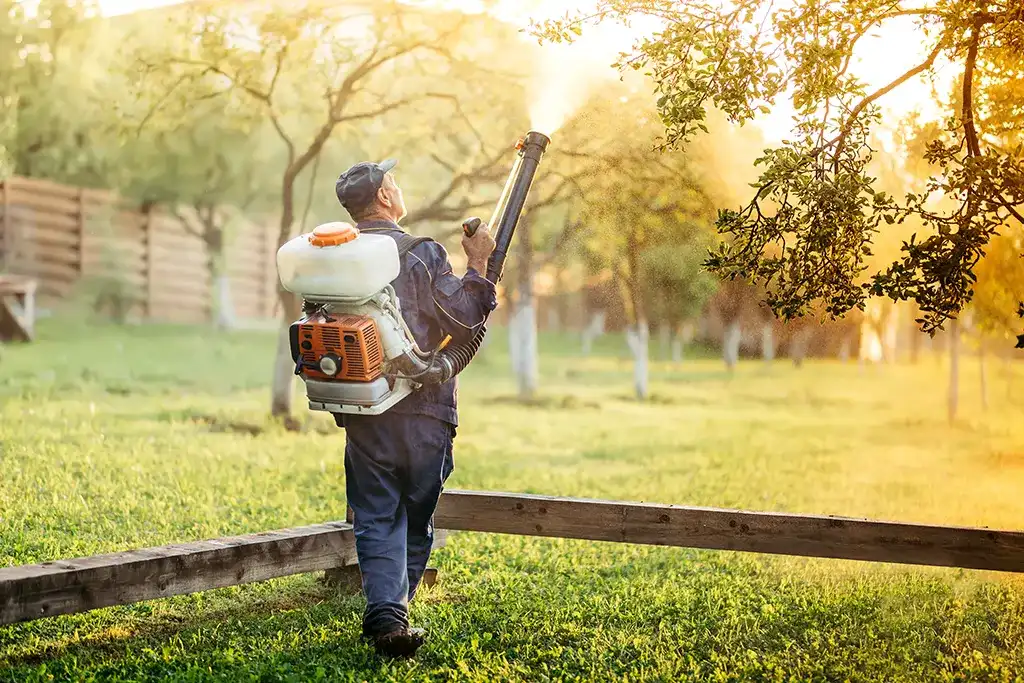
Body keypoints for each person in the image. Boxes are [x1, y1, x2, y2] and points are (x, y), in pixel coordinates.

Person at [332, 158, 497, 658]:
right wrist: (480, 264)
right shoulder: (420, 252)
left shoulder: (336, 255)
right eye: (395, 182)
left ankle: (388, 614)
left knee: (376, 514)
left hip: (365, 410)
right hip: (425, 411)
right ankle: (393, 615)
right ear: (384, 197)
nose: (399, 188)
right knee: (417, 513)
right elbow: (466, 319)